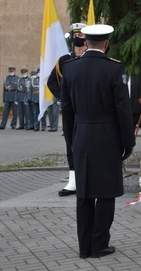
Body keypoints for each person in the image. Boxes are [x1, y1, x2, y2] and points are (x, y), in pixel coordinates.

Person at [60, 24, 134, 259]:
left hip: (81, 133)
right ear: (106, 43)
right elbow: (123, 110)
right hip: (106, 136)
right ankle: (99, 244)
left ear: (87, 43)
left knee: (84, 193)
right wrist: (127, 141)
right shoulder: (114, 68)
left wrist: (72, 139)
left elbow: (67, 110)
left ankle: (84, 246)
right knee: (105, 192)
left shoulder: (70, 69)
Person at [47, 22, 87, 196]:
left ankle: (88, 178)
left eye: (80, 35)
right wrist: (63, 97)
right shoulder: (64, 61)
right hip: (70, 109)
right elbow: (51, 82)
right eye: (74, 35)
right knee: (71, 142)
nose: (76, 38)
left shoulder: (90, 58)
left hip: (87, 107)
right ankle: (73, 179)